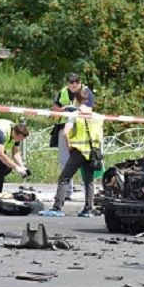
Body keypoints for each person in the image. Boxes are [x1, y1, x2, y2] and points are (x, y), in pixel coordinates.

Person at [40, 88, 102, 217]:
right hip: (92, 153)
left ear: (76, 100)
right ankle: (88, 209)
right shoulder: (97, 117)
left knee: (64, 178)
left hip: (78, 151)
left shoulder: (75, 115)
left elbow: (66, 133)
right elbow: (99, 136)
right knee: (88, 181)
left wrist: (70, 147)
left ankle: (57, 208)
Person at [51, 73, 94, 200]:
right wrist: (64, 109)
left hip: (81, 130)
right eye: (71, 82)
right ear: (67, 83)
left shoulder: (86, 92)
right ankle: (67, 192)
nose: (74, 85)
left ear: (80, 82)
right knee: (64, 161)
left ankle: (88, 196)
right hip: (65, 126)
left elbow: (89, 109)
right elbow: (54, 109)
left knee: (85, 165)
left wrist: (75, 111)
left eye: (77, 82)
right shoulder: (63, 92)